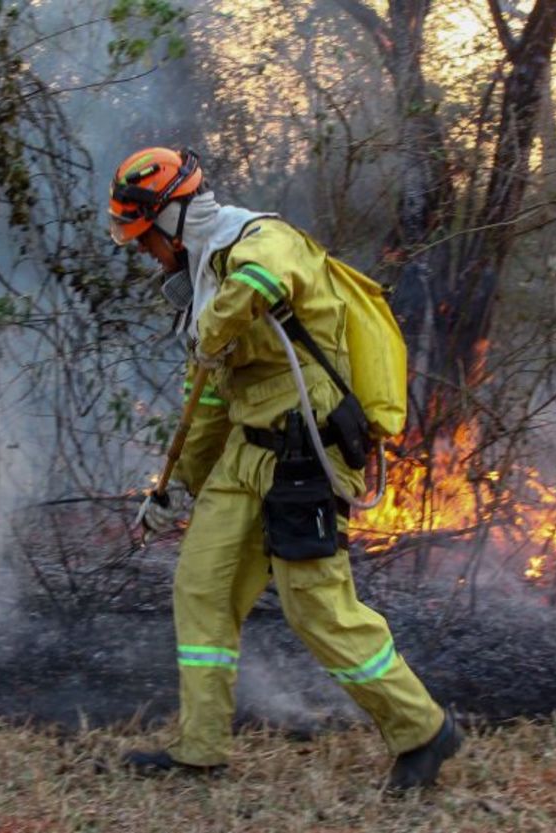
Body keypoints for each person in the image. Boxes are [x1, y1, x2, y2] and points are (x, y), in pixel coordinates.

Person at [107, 147, 462, 791]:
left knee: (316, 608)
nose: (143, 253)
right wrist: (176, 489)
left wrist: (211, 326)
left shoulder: (261, 238)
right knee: (202, 587)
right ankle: (200, 749)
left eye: (144, 238)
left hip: (308, 453)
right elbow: (210, 405)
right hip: (248, 454)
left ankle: (424, 731)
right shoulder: (206, 283)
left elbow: (269, 279)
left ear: (174, 219)